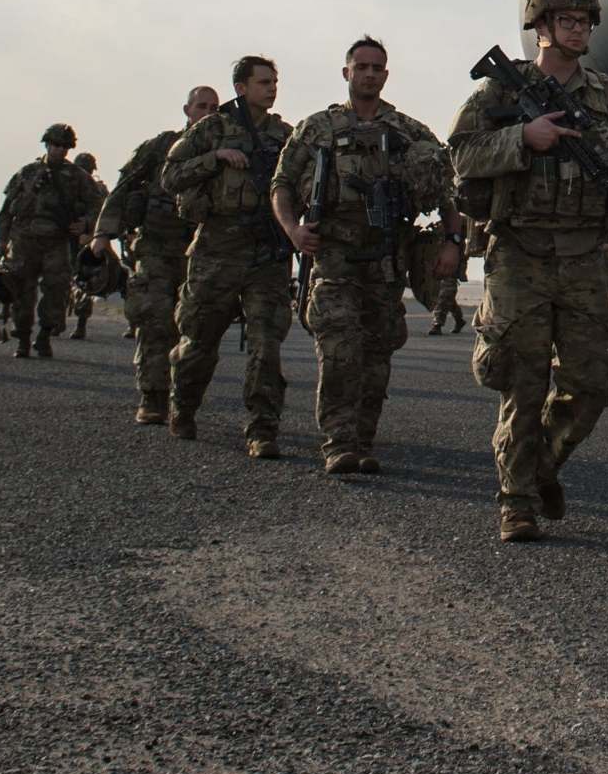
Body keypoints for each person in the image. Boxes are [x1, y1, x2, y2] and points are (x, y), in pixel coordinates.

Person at [448, 0, 608, 543]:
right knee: (522, 379)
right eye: (566, 19)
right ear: (539, 26)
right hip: (520, 253)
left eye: (586, 20)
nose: (578, 28)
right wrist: (523, 138)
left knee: (598, 377)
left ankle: (542, 465)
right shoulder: (500, 91)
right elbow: (460, 155)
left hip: (588, 256)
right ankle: (515, 501)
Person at [272, 38, 462, 476]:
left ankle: (363, 441)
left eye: (378, 67)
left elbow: (446, 190)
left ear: (386, 75)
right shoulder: (316, 127)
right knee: (339, 352)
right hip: (334, 258)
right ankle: (338, 443)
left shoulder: (408, 132)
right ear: (347, 73)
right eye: (362, 67)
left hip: (386, 261)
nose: (370, 74)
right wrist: (293, 230)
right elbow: (282, 183)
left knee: (377, 358)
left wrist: (453, 242)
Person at [160, 56, 296, 457]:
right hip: (217, 250)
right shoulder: (212, 129)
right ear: (241, 87)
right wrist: (215, 157)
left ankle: (262, 428)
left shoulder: (286, 135)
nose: (271, 88)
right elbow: (171, 175)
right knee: (199, 341)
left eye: (275, 81)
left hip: (267, 253)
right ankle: (182, 406)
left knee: (266, 345)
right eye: (263, 82)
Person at [90, 86, 220, 421]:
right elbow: (125, 185)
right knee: (154, 319)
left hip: (204, 251)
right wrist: (103, 233)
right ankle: (153, 396)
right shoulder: (162, 147)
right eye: (201, 106)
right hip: (156, 247)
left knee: (194, 329)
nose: (207, 112)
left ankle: (182, 398)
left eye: (214, 107)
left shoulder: (226, 150)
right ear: (187, 110)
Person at [0, 123, 94, 358]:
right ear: (47, 144)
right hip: (24, 241)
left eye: (64, 146)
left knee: (56, 290)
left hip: (56, 242)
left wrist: (86, 224)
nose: (59, 150)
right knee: (21, 291)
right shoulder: (27, 172)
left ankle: (44, 335)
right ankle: (23, 339)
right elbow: (7, 211)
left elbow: (97, 206)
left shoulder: (78, 177)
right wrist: (1, 240)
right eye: (56, 145)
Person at [64, 153, 110, 339]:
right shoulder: (66, 187)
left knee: (86, 281)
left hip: (90, 241)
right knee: (61, 280)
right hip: (67, 239)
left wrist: (89, 229)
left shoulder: (99, 190)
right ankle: (56, 319)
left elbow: (105, 214)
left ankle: (80, 323)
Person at [428, 259, 469, 334]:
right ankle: (459, 320)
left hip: (449, 267)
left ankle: (437, 324)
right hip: (436, 267)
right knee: (448, 299)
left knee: (443, 297)